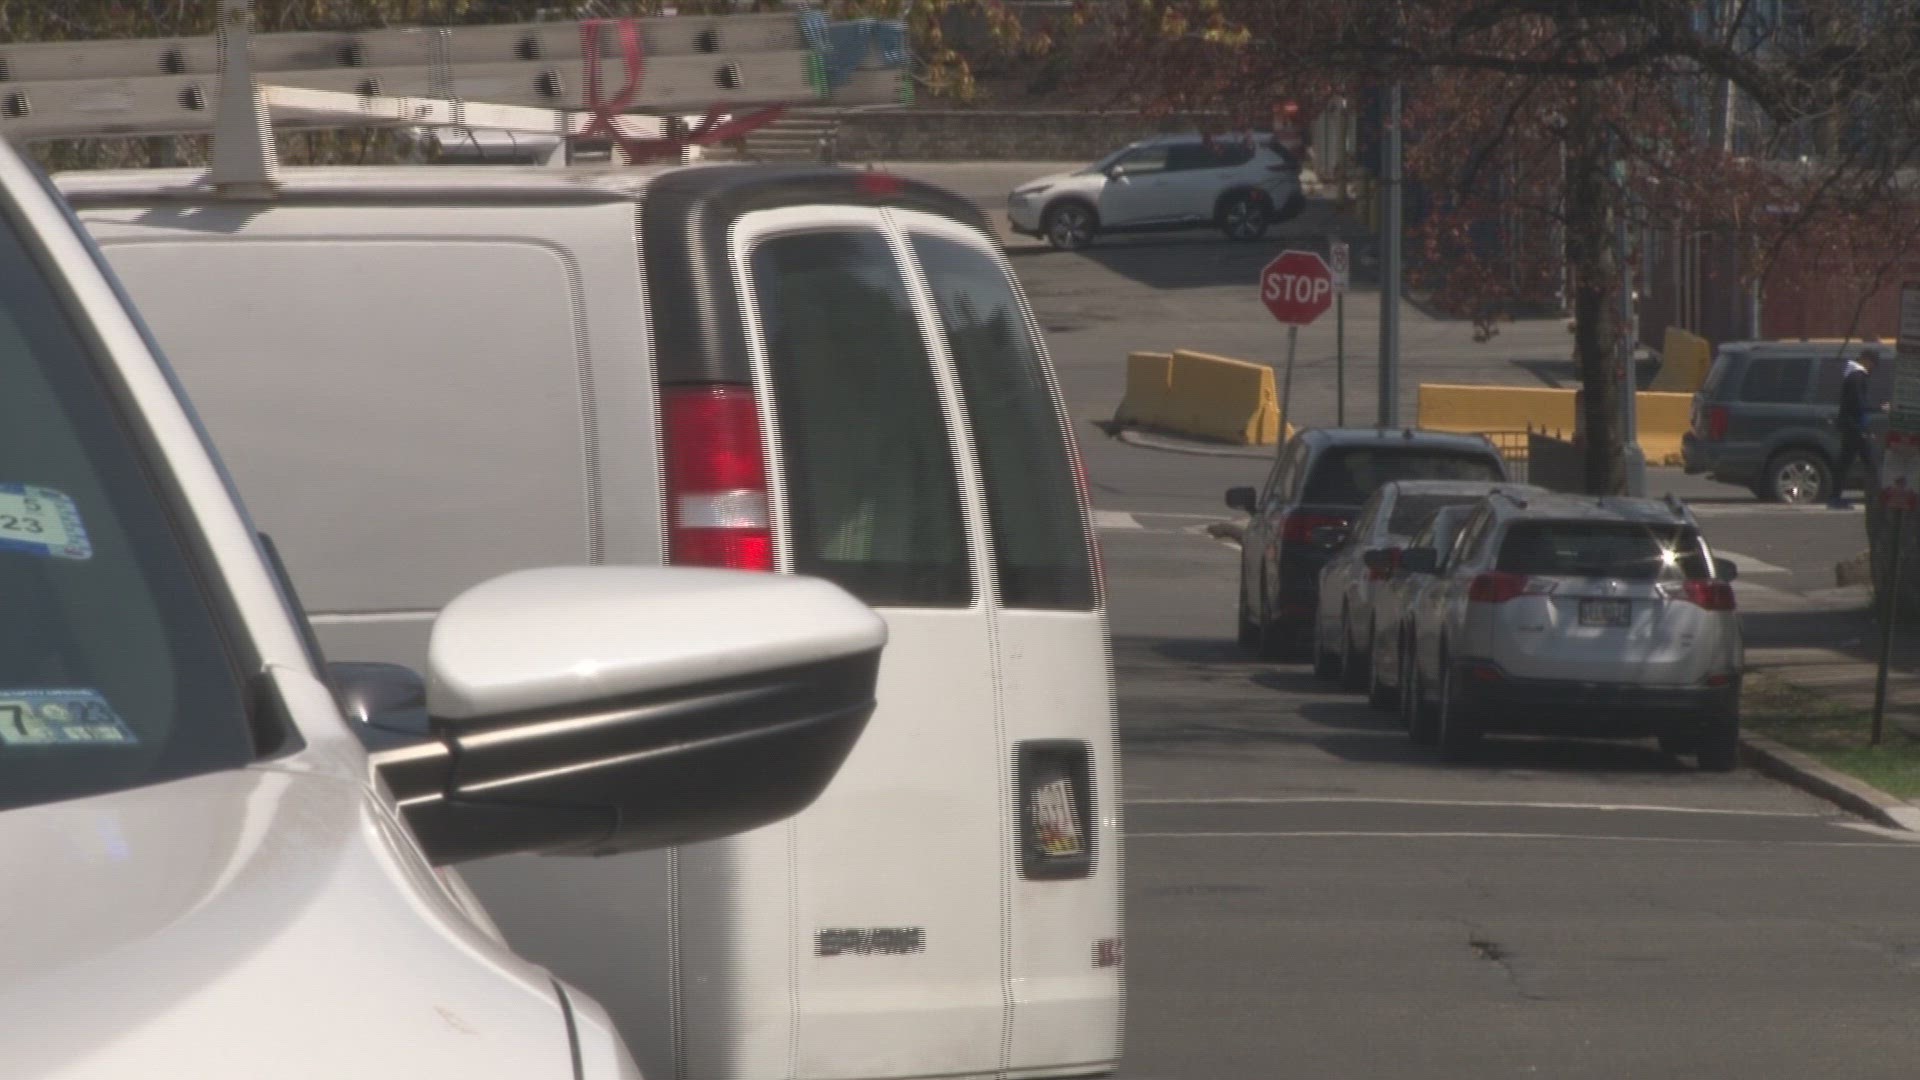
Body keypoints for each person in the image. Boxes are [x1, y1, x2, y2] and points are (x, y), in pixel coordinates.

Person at [1831, 348, 1879, 509]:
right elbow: (1859, 404)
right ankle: (1876, 497)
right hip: (1856, 428)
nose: (1873, 368)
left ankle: (1834, 497)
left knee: (1845, 462)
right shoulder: (1857, 377)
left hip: (1851, 426)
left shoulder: (1852, 375)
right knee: (1870, 463)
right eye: (1873, 363)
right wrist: (1879, 408)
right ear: (1866, 360)